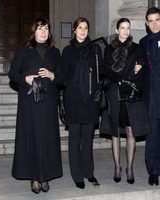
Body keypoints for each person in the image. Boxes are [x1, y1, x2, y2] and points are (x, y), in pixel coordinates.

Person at [8, 17, 63, 194]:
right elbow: (12, 73)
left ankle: (45, 176)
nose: (44, 31)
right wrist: (25, 79)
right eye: (40, 28)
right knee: (31, 138)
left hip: (48, 102)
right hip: (29, 102)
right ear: (34, 31)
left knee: (47, 140)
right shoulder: (23, 49)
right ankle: (34, 177)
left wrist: (52, 75)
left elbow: (62, 77)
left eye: (46, 28)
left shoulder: (55, 52)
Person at [100, 18, 151, 184]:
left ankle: (129, 167)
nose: (125, 31)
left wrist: (134, 75)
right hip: (114, 94)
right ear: (116, 30)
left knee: (130, 132)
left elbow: (143, 69)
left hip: (131, 94)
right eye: (122, 27)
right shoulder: (109, 49)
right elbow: (106, 70)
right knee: (115, 132)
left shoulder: (137, 48)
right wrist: (124, 76)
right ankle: (117, 166)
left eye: (128, 28)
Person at [62, 17, 101, 189]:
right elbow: (63, 77)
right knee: (74, 139)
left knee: (88, 139)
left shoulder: (95, 49)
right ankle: (77, 175)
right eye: (80, 28)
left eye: (86, 28)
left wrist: (102, 86)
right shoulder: (67, 51)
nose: (83, 31)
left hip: (91, 100)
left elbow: (102, 72)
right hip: (73, 99)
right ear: (74, 30)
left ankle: (88, 172)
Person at [139, 7, 160, 186]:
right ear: (146, 23)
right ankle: (153, 171)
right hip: (151, 96)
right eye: (151, 20)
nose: (154, 23)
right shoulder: (142, 42)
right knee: (152, 136)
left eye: (157, 19)